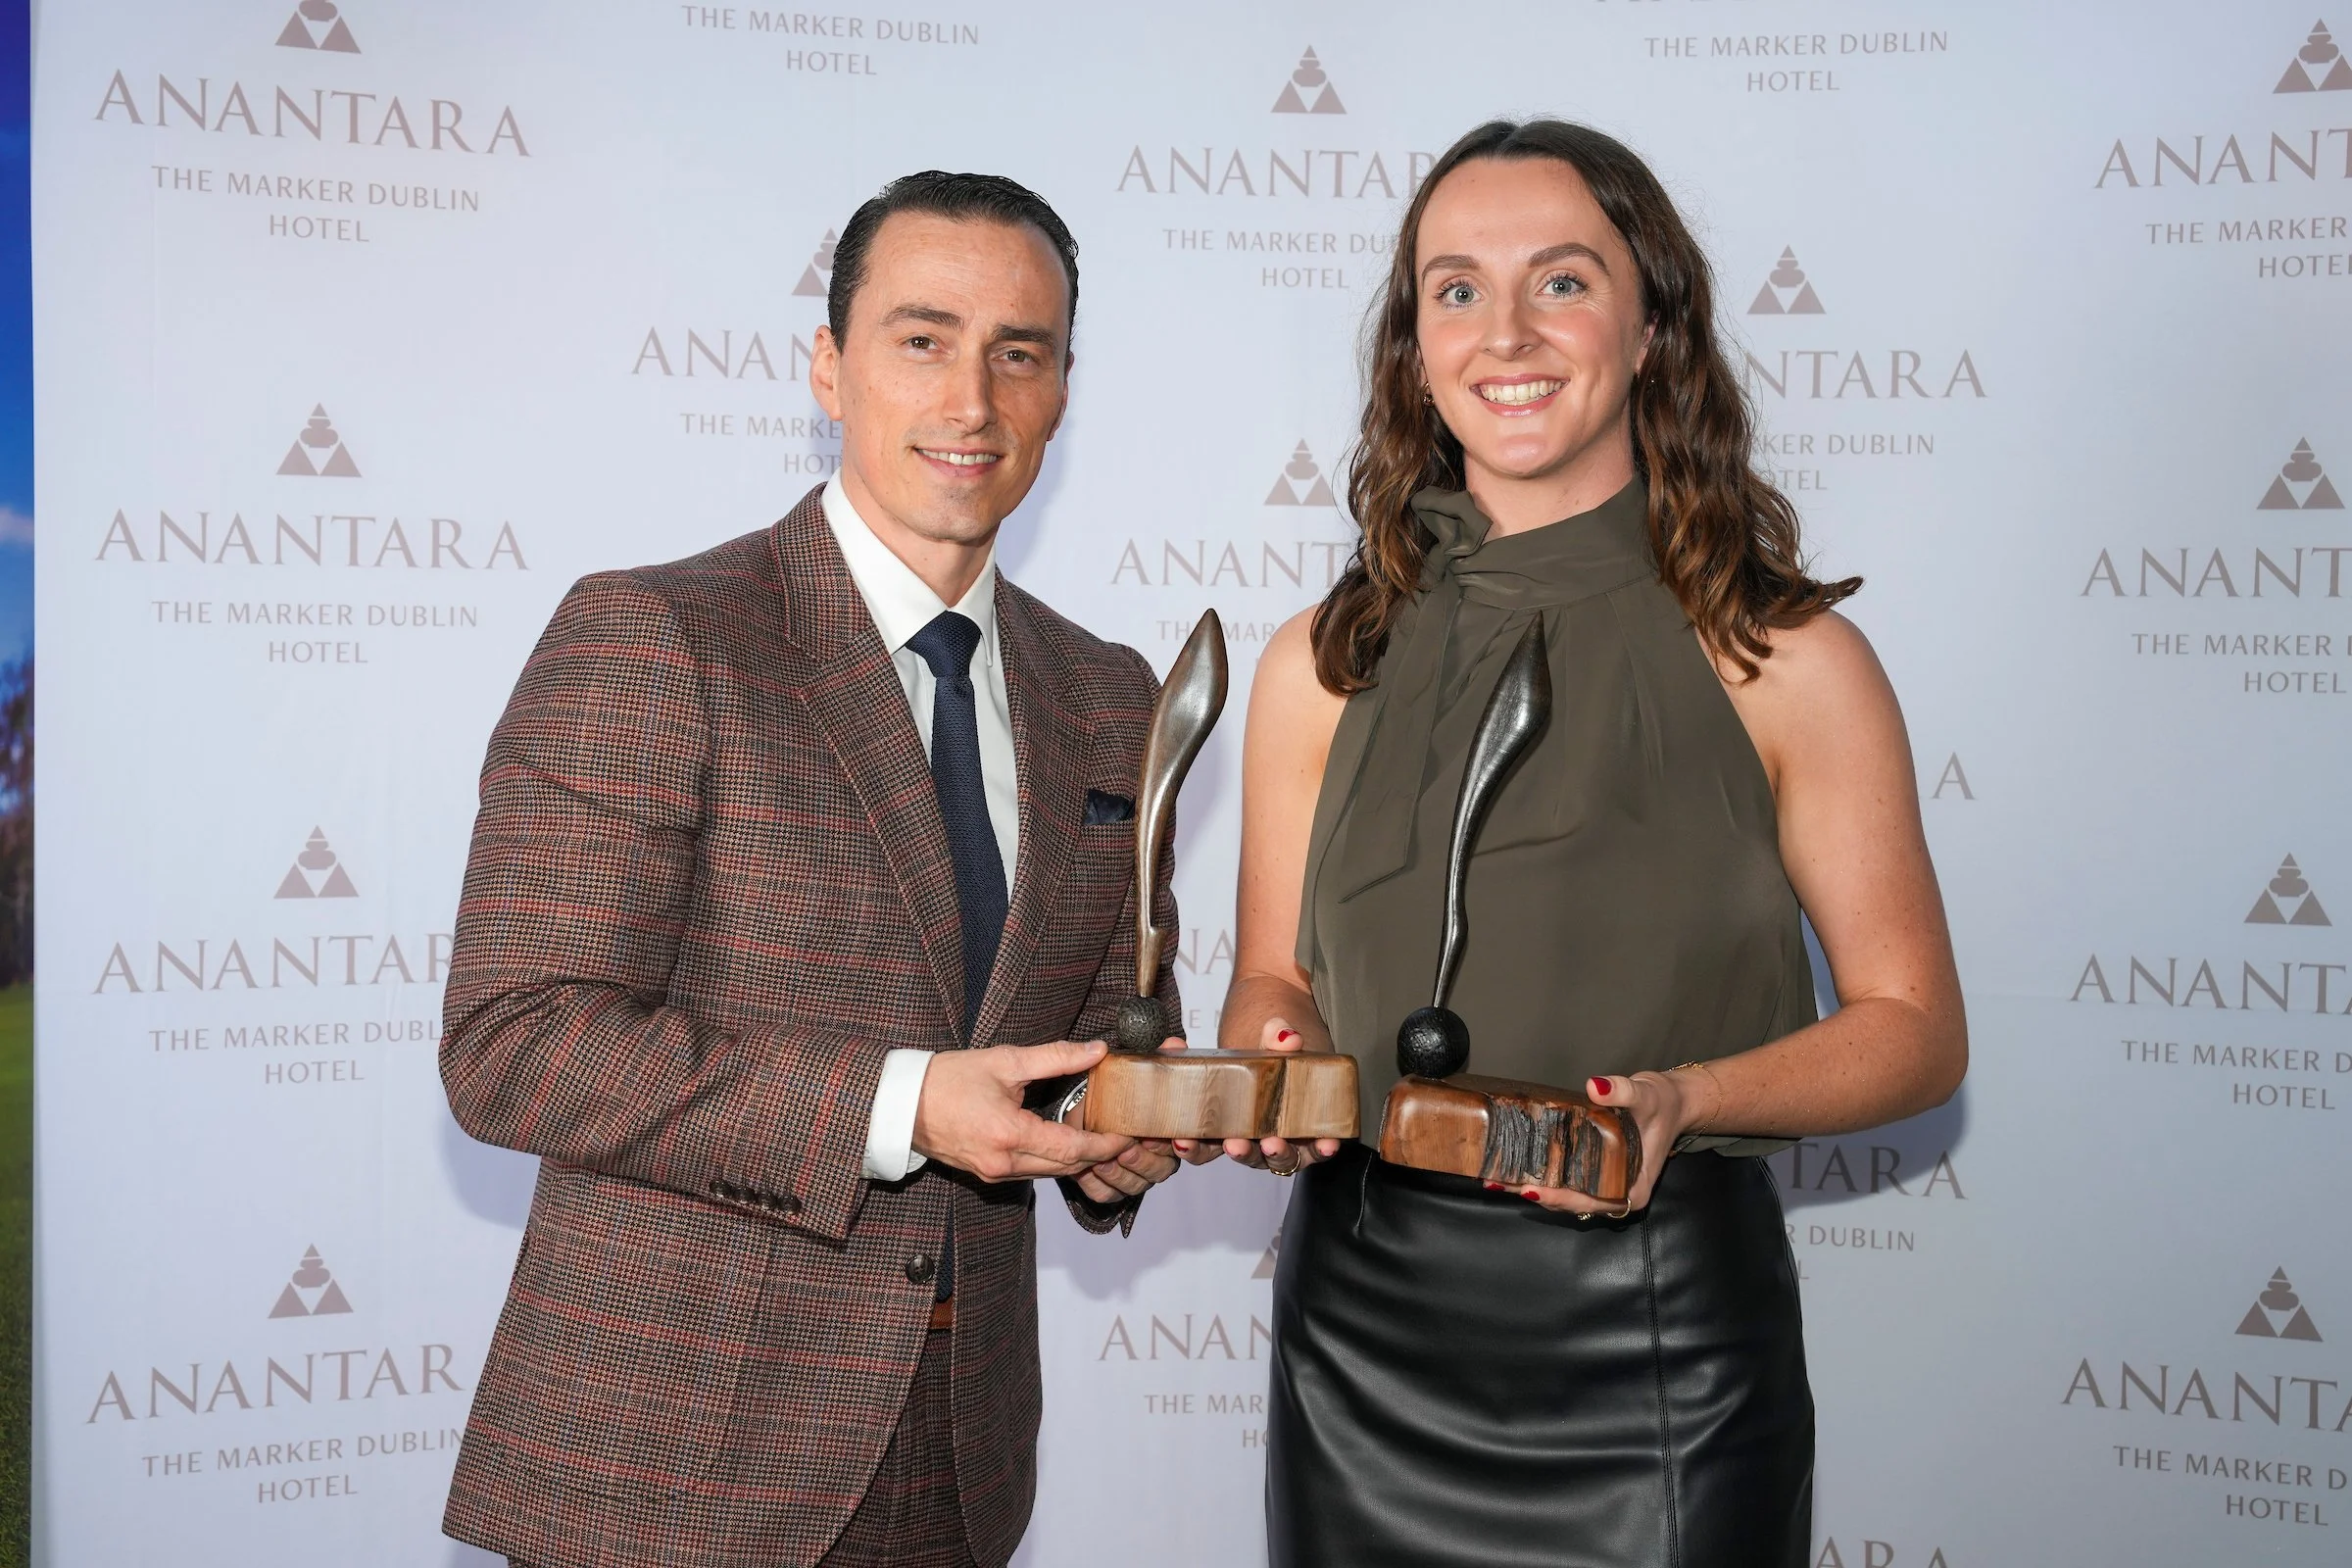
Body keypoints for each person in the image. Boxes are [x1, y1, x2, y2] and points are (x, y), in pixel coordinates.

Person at [1220, 120, 1968, 1567]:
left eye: (1561, 281)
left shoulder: (1787, 659)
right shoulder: (1322, 663)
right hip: (1366, 1330)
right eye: (1455, 289)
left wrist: (1687, 1097)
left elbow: (1917, 1032)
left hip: (1662, 1329)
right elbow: (1273, 984)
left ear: (1648, 329)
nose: (1505, 331)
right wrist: (1270, 1054)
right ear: (1413, 346)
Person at [438, 171, 1186, 1568]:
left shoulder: (1109, 692)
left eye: (1018, 352)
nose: (972, 398)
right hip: (671, 1470)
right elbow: (514, 1044)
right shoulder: (658, 637)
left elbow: (1107, 1015)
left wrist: (1124, 1126)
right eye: (922, 339)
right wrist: (905, 1104)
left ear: (1063, 391)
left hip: (963, 1466)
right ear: (829, 369)